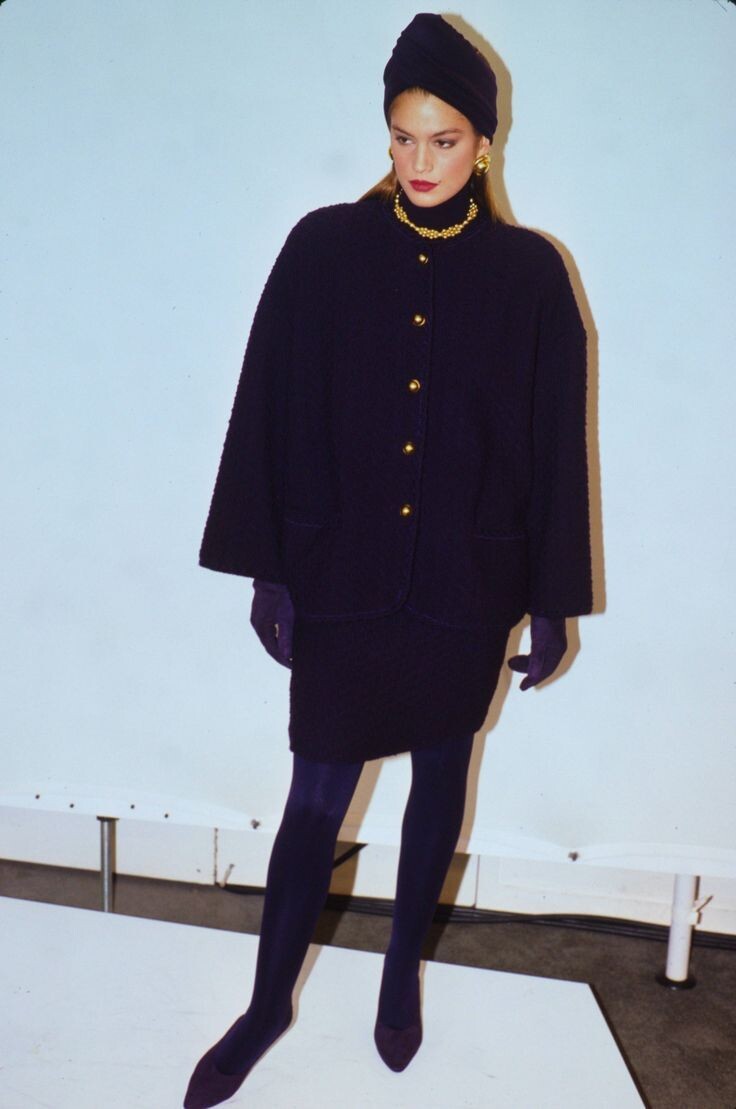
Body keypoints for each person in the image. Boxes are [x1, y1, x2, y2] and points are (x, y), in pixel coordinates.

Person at [183, 12, 592, 1108]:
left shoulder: (530, 274)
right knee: (314, 800)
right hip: (345, 575)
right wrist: (270, 567)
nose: (420, 161)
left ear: (485, 144)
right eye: (403, 138)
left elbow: (555, 443)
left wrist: (552, 601)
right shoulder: (323, 248)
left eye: (444, 140)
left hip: (469, 583)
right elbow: (268, 403)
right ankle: (266, 1006)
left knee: (439, 784)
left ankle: (401, 971)